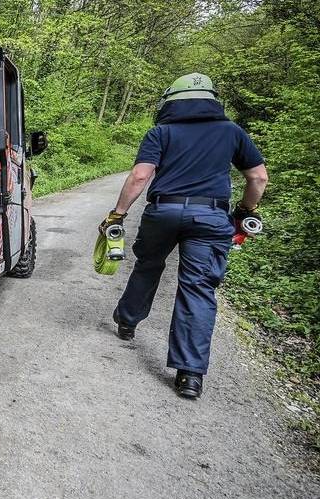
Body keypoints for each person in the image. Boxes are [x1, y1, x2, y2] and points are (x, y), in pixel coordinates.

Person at [103, 73, 269, 399]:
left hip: (163, 211)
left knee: (148, 265)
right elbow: (258, 177)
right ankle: (189, 375)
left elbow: (140, 175)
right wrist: (245, 211)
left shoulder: (161, 132)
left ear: (169, 102)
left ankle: (127, 322)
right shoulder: (232, 132)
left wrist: (118, 214)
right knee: (198, 288)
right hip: (211, 217)